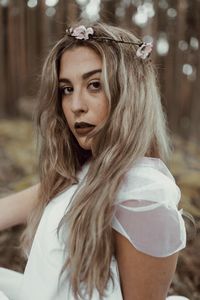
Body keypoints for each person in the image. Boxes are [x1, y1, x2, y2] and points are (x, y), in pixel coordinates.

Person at [0, 21, 188, 300]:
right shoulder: (85, 173)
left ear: (130, 93)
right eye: (67, 89)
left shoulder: (144, 195)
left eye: (95, 85)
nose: (76, 105)